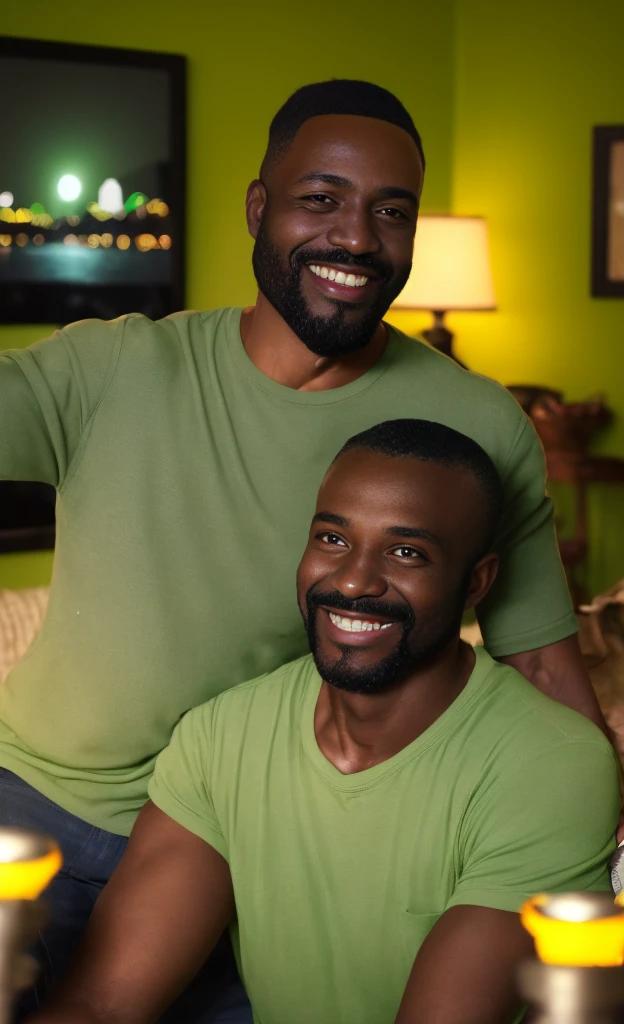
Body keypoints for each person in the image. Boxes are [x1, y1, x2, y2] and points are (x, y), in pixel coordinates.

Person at [0, 79, 607, 1017]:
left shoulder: (477, 420)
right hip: (34, 812)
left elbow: (544, 670)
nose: (357, 237)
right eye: (321, 199)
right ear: (259, 207)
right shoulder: (114, 365)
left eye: (390, 211)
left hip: (253, 843)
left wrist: (588, 851)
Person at [27, 420, 619, 1024]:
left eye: (406, 552)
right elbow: (101, 1003)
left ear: (476, 582)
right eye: (333, 540)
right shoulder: (219, 739)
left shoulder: (551, 764)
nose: (355, 579)